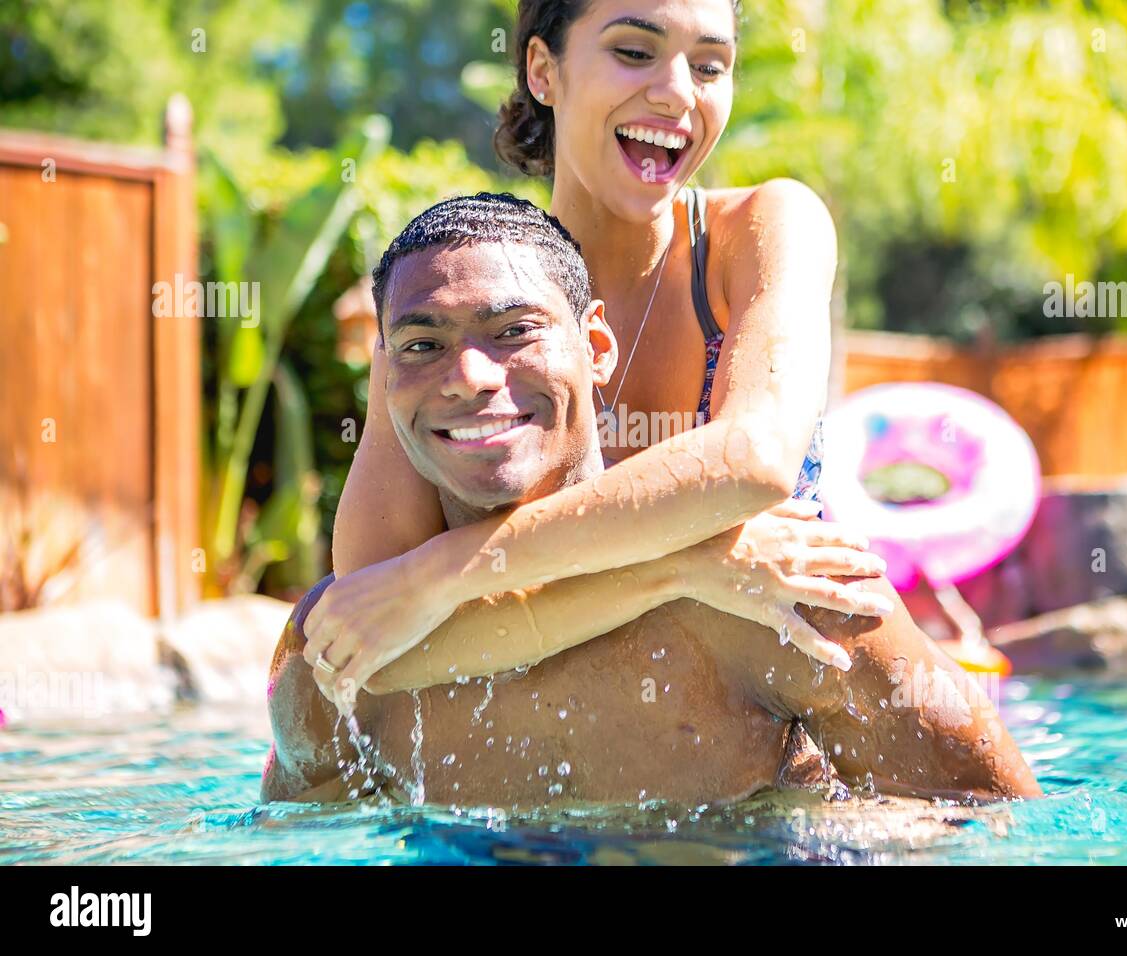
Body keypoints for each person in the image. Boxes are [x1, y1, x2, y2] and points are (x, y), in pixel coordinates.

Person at [260, 195, 1041, 806]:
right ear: (384, 378)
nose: (467, 374)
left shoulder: (783, 595)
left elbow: (1001, 828)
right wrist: (677, 566)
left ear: (598, 349)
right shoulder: (340, 656)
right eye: (421, 344)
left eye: (513, 330)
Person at [309, 0, 863, 681]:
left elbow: (755, 458)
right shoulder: (455, 292)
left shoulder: (763, 230)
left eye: (710, 65)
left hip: (789, 730)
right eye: (634, 52)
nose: (678, 93)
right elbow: (370, 635)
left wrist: (440, 575)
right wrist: (686, 564)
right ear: (543, 70)